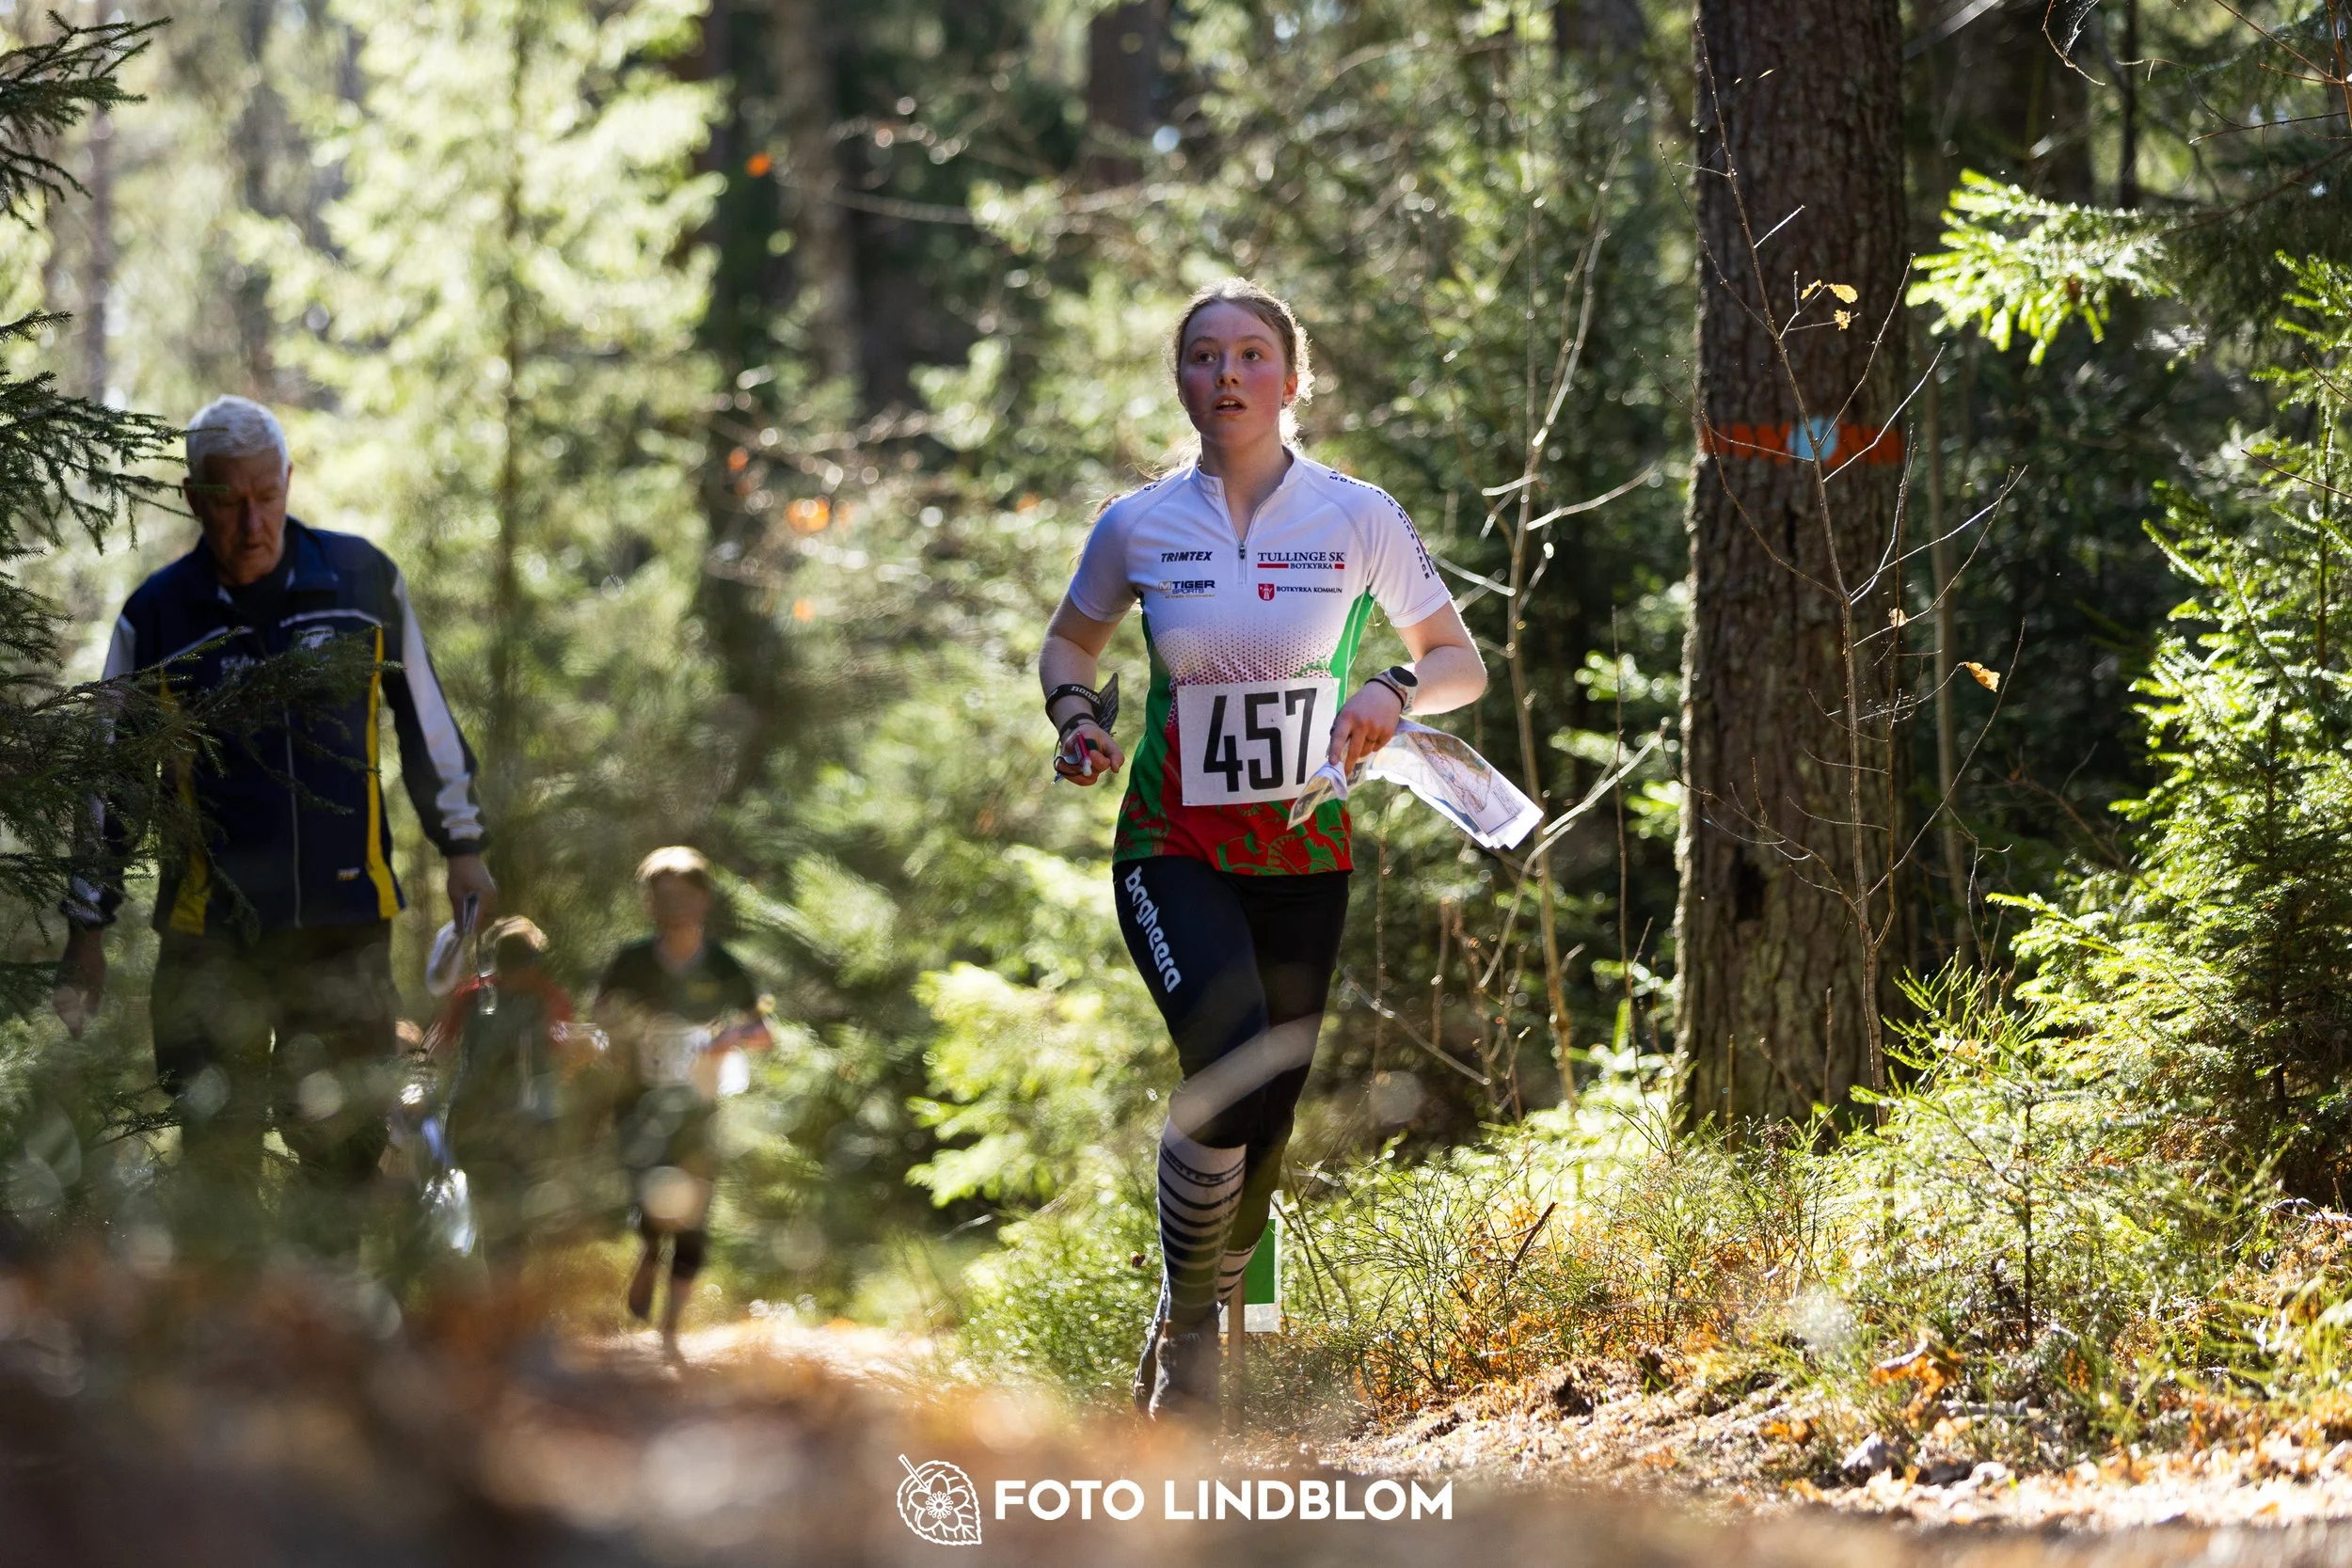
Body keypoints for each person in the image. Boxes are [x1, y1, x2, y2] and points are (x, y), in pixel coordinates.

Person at [1039, 278, 1487, 1420]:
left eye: (1250, 355)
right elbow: (1070, 640)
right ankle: (1192, 1339)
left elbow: (1457, 661)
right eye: (1202, 356)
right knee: (1227, 1055)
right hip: (1169, 843)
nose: (1226, 374)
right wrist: (1078, 716)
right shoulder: (1137, 522)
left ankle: (1232, 1329)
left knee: (1270, 1111)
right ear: (1181, 380)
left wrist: (1391, 684)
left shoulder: (1354, 514)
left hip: (1303, 855)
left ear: (1292, 380)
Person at [52, 395, 495, 1212]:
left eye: (268, 494)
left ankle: (329, 1330)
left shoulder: (363, 583)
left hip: (343, 927)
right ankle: (231, 1337)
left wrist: (463, 844)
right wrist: (87, 925)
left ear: (289, 481)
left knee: (346, 1153)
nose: (253, 521)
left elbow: (426, 720)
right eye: (229, 500)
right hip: (205, 937)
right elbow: (112, 780)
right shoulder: (155, 620)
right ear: (193, 498)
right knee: (215, 1160)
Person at [595, 847, 771, 1359]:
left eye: (682, 896)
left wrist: (726, 1038)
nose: (672, 906)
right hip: (639, 1104)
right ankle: (649, 1253)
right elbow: (601, 1018)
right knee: (650, 1203)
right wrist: (626, 1038)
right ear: (648, 903)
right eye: (661, 896)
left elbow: (763, 1030)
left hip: (699, 1106)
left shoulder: (721, 963)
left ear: (703, 900)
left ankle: (670, 1332)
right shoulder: (631, 960)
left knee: (695, 1216)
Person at [423, 916, 590, 1270]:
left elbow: (565, 1053)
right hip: (479, 1119)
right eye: (510, 965)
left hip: (529, 1123)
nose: (518, 975)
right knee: (494, 1213)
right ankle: (504, 1298)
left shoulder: (547, 997)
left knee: (524, 1214)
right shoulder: (472, 997)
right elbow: (437, 1046)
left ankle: (515, 1298)